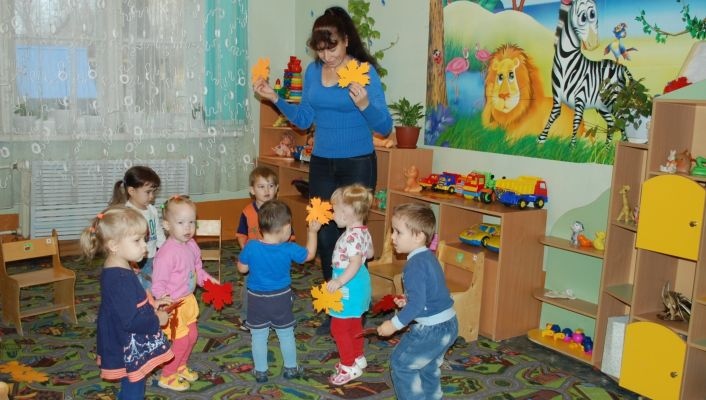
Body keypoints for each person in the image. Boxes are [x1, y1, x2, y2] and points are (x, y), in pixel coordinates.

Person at [252, 6, 393, 293]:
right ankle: (334, 298)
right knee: (325, 234)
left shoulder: (364, 72)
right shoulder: (313, 72)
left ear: (346, 41)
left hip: (357, 163)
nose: (327, 56)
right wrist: (275, 98)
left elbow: (385, 126)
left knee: (353, 237)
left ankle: (355, 302)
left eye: (333, 48)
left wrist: (365, 104)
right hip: (322, 164)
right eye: (320, 50)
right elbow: (304, 119)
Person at [79, 206, 173, 400]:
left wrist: (152, 303)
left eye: (144, 239)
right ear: (114, 245)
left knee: (131, 379)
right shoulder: (119, 279)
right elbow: (130, 320)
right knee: (134, 383)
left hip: (122, 335)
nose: (144, 246)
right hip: (126, 340)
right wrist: (158, 319)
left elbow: (129, 302)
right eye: (137, 240)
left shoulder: (119, 266)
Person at [376, 203, 458, 400]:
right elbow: (431, 292)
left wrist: (393, 324)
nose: (392, 237)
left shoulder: (414, 265)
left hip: (432, 329)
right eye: (392, 231)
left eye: (398, 232)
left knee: (402, 364)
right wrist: (408, 299)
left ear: (419, 236)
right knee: (427, 365)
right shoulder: (428, 257)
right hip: (449, 324)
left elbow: (418, 305)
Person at [237, 200, 321, 383]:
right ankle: (291, 367)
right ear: (286, 228)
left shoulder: (251, 246)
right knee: (286, 334)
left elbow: (242, 269)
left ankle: (261, 371)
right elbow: (309, 255)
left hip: (257, 300)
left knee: (258, 336)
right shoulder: (288, 248)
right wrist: (312, 232)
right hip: (280, 298)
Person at [151, 195, 218, 391]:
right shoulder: (166, 254)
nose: (188, 228)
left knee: (192, 336)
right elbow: (158, 283)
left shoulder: (191, 245)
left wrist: (210, 283)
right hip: (173, 305)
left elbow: (197, 271)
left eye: (192, 222)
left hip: (188, 300)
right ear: (167, 225)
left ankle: (180, 366)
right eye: (181, 223)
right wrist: (163, 303)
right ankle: (167, 375)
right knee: (180, 341)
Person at [325, 184, 374, 385]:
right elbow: (370, 253)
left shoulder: (351, 236)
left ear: (347, 213)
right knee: (354, 322)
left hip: (349, 284)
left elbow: (354, 263)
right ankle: (358, 356)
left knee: (338, 327)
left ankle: (348, 366)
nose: (332, 214)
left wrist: (339, 281)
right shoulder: (363, 231)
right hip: (361, 282)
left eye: (335, 210)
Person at [236, 165, 280, 330]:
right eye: (261, 186)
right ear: (252, 190)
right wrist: (246, 252)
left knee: (276, 289)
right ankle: (248, 318)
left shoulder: (281, 211)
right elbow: (241, 234)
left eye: (271, 186)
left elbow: (289, 234)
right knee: (250, 289)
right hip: (254, 260)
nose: (267, 190)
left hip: (274, 259)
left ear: (277, 188)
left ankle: (275, 316)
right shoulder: (247, 212)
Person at [110, 166, 166, 294]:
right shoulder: (127, 213)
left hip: (152, 256)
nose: (152, 196)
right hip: (135, 260)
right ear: (131, 191)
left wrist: (165, 249)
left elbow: (158, 231)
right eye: (148, 192)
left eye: (153, 192)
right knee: (140, 288)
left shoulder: (151, 209)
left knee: (154, 283)